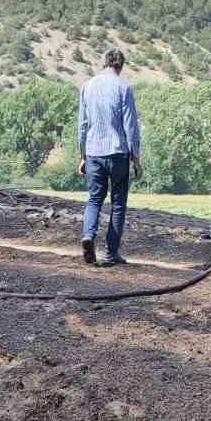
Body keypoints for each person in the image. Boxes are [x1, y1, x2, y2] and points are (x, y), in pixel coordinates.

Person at [77, 48, 142, 266]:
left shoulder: (87, 86)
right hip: (117, 153)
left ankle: (88, 235)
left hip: (94, 151)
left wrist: (82, 155)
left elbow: (82, 125)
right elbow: (130, 126)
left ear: (104, 63)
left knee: (94, 199)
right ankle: (111, 252)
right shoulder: (124, 87)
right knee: (118, 203)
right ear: (121, 65)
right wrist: (136, 158)